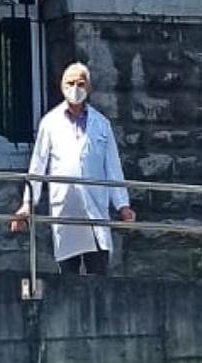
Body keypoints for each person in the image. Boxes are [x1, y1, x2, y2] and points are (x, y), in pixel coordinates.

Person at [10, 63, 135, 275]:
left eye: (80, 83)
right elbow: (38, 165)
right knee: (67, 276)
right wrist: (28, 203)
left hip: (95, 207)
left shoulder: (101, 124)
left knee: (98, 273)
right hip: (66, 208)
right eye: (70, 83)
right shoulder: (50, 122)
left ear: (89, 88)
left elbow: (113, 167)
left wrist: (123, 205)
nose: (75, 87)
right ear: (62, 86)